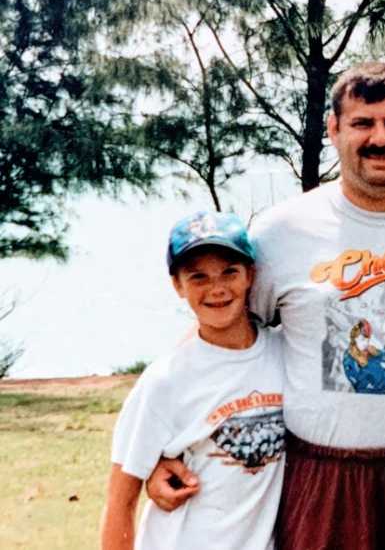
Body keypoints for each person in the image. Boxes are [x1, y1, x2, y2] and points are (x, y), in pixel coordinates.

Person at [146, 63, 385, 549]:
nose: (379, 138)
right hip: (328, 480)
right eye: (361, 123)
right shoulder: (281, 231)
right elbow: (220, 333)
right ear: (333, 129)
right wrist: (163, 446)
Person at [100, 211, 285, 550]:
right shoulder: (164, 381)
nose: (216, 289)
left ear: (250, 276)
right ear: (177, 286)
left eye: (229, 272)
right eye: (198, 277)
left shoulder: (285, 353)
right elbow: (120, 501)